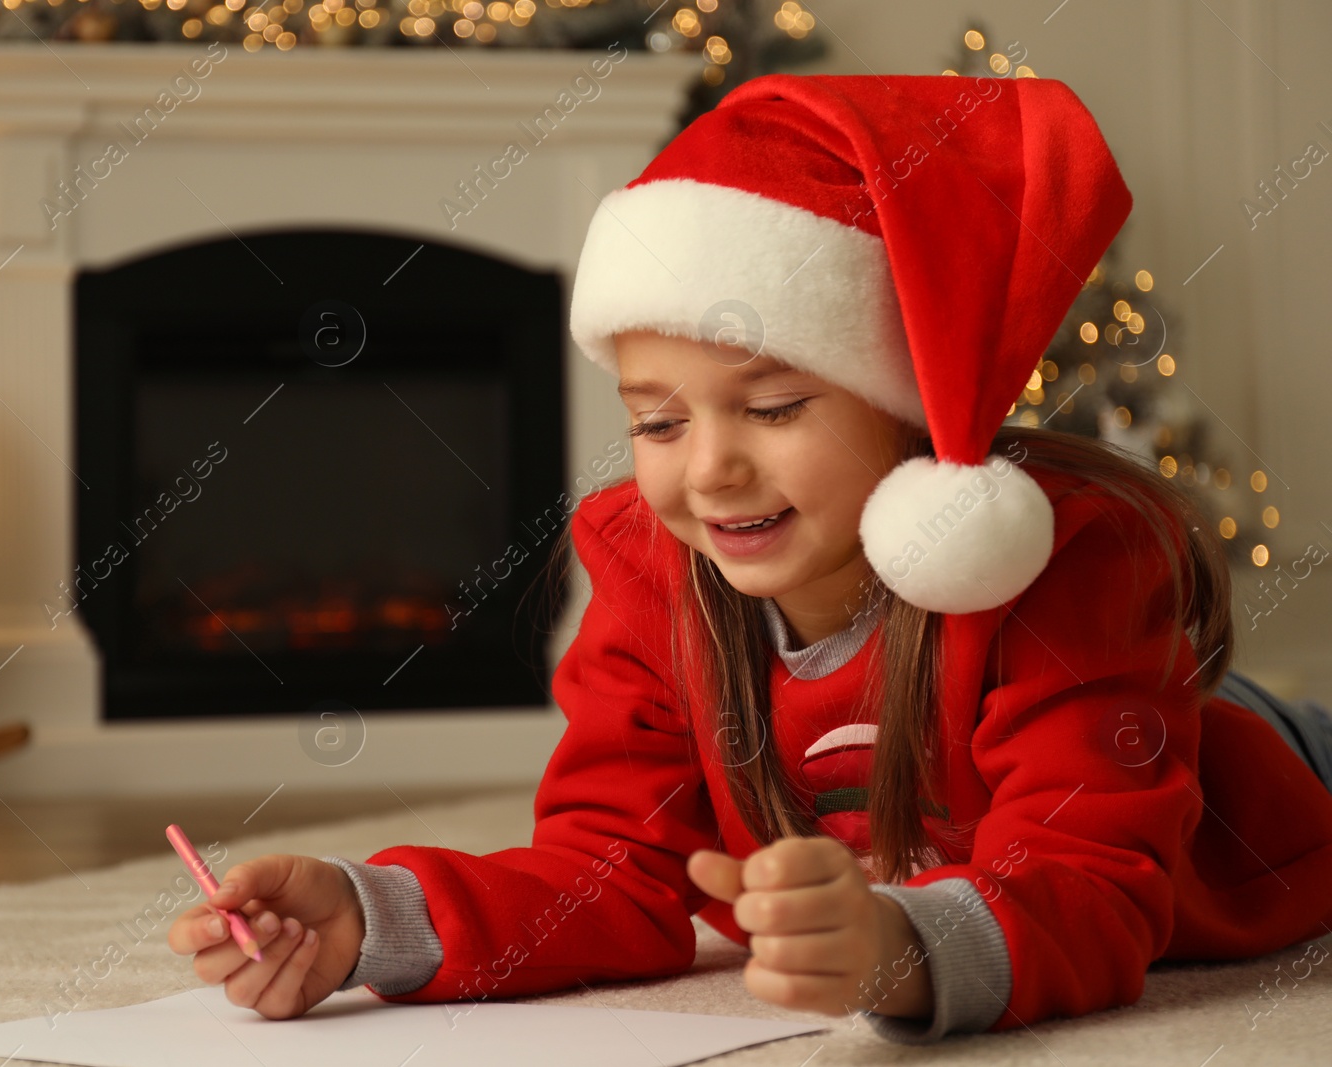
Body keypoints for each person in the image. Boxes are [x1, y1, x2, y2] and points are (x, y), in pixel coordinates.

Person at [167, 73, 1332, 1042]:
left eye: (771, 407)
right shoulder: (648, 565)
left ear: (912, 412)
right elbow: (608, 866)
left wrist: (901, 948)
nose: (708, 470)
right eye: (660, 422)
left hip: (1252, 770)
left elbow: (1090, 879)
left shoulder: (1064, 555)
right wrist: (372, 921)